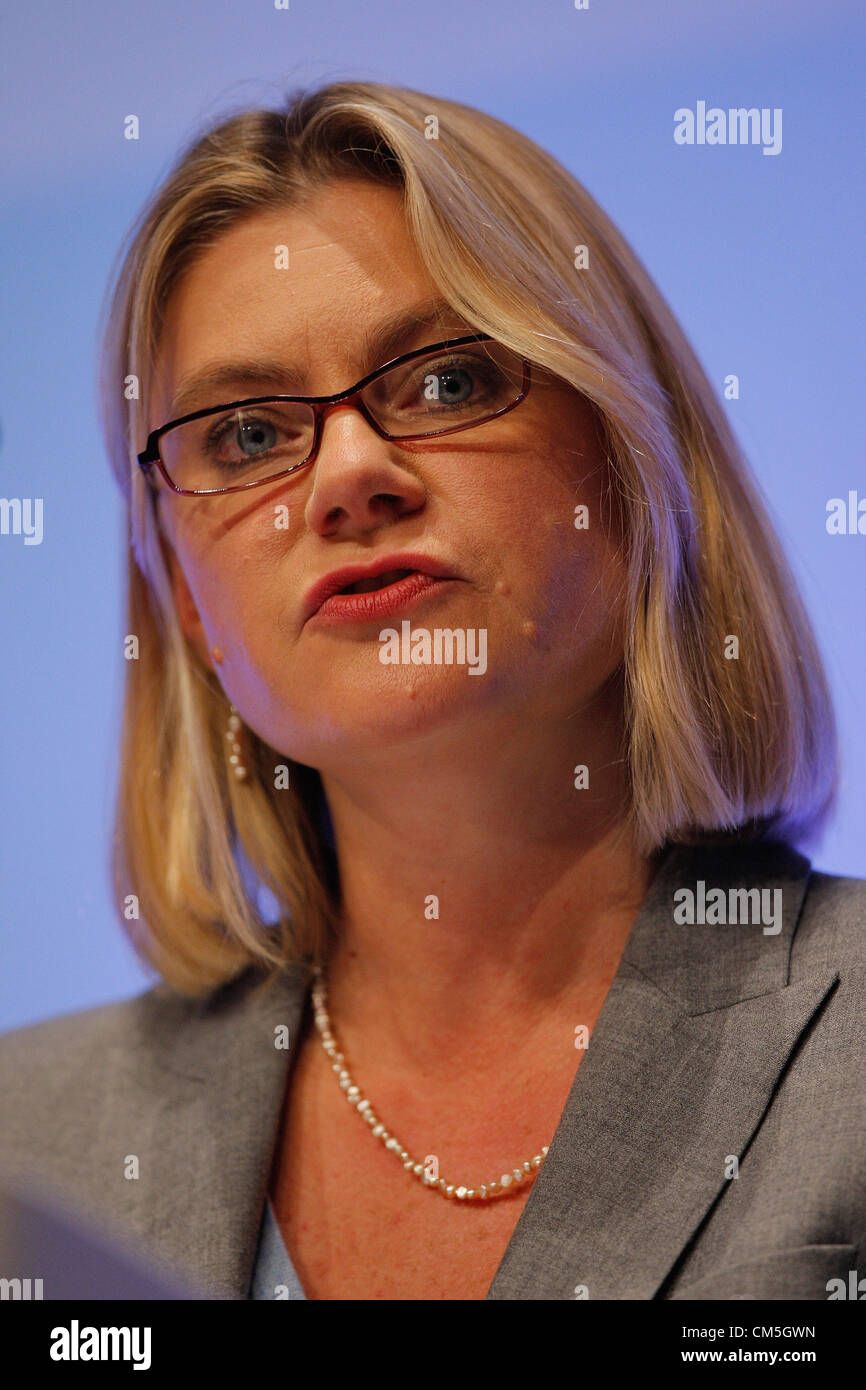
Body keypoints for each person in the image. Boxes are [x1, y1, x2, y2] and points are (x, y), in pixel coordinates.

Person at [1, 79, 863, 1302]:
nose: (349, 476)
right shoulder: (22, 1152)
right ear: (187, 600)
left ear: (631, 464)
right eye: (246, 435)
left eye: (446, 380)